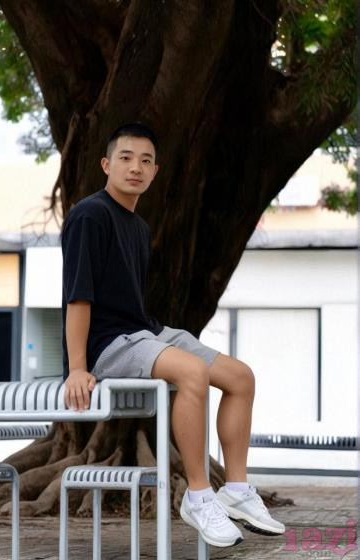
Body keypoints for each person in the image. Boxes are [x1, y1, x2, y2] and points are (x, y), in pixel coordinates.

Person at [61, 122, 285, 548]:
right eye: (126, 158)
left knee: (240, 378)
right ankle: (198, 496)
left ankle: (236, 490)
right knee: (192, 372)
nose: (136, 167)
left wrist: (155, 337)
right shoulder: (90, 215)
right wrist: (77, 367)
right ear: (106, 164)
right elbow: (78, 295)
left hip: (143, 331)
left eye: (146, 161)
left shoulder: (139, 227)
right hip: (106, 344)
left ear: (155, 171)